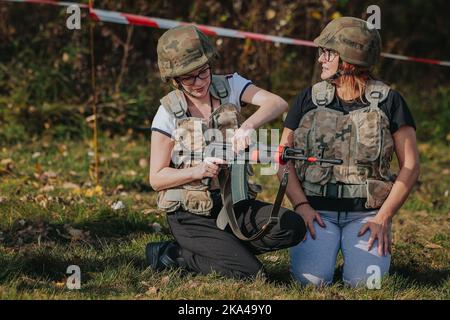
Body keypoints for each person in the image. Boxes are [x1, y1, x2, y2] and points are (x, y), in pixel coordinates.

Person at [147, 25, 306, 280]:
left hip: (232, 203)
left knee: (291, 227)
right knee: (250, 274)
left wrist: (248, 126)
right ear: (174, 79)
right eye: (189, 77)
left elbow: (278, 102)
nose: (199, 82)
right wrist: (199, 170)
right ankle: (174, 254)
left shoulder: (231, 86)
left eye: (203, 72)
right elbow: (156, 178)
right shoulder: (168, 112)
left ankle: (223, 251)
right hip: (190, 214)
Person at [278, 17, 419, 287]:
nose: (321, 59)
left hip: (367, 216)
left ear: (348, 60)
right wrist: (301, 206)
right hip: (317, 212)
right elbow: (283, 159)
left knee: (366, 285)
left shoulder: (390, 101)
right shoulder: (308, 98)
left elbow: (410, 166)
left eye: (328, 53)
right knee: (311, 282)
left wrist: (383, 218)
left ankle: (358, 259)